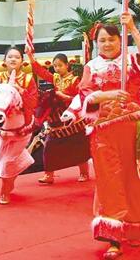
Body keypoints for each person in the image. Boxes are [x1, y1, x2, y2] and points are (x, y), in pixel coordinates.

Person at [79, 13, 140, 259]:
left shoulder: (131, 60)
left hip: (134, 129)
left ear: (120, 40)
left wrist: (132, 28)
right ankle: (113, 237)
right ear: (96, 44)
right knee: (110, 181)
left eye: (112, 39)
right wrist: (108, 95)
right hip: (104, 132)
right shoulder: (91, 67)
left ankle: (132, 229)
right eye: (102, 40)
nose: (107, 44)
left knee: (135, 180)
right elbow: (85, 96)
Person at [0, 46, 38, 204]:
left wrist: (20, 91)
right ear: (4, 61)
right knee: (2, 161)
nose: (13, 59)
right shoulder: (0, 78)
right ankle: (9, 183)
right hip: (2, 130)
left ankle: (5, 190)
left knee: (7, 162)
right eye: (10, 57)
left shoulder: (28, 79)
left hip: (21, 130)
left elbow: (33, 102)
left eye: (17, 57)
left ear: (22, 61)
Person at [29, 52, 89, 184]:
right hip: (56, 119)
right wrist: (30, 57)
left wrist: (66, 97)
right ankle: (49, 175)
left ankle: (84, 172)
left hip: (72, 119)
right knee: (49, 147)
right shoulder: (55, 78)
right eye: (55, 66)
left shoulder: (75, 80)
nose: (57, 68)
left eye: (60, 65)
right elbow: (42, 72)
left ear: (67, 65)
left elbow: (81, 97)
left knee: (79, 147)